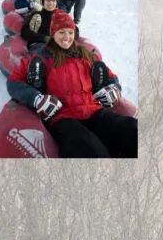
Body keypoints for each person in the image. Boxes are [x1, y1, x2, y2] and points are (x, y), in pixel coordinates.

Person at [7, 10, 137, 158]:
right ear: (53, 33)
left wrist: (114, 88)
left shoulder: (86, 55)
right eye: (61, 32)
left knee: (132, 129)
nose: (66, 37)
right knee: (88, 147)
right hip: (63, 117)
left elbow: (111, 77)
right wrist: (36, 98)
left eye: (70, 32)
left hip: (93, 110)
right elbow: (13, 81)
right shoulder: (41, 56)